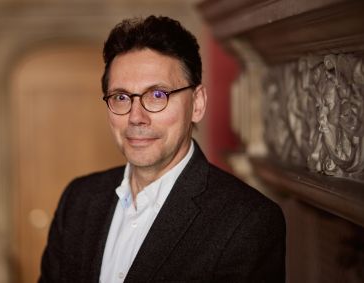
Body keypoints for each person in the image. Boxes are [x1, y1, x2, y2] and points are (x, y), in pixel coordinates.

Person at [39, 15, 285, 283]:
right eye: (121, 97)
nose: (136, 117)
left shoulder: (248, 222)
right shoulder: (79, 200)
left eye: (158, 95)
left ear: (198, 103)